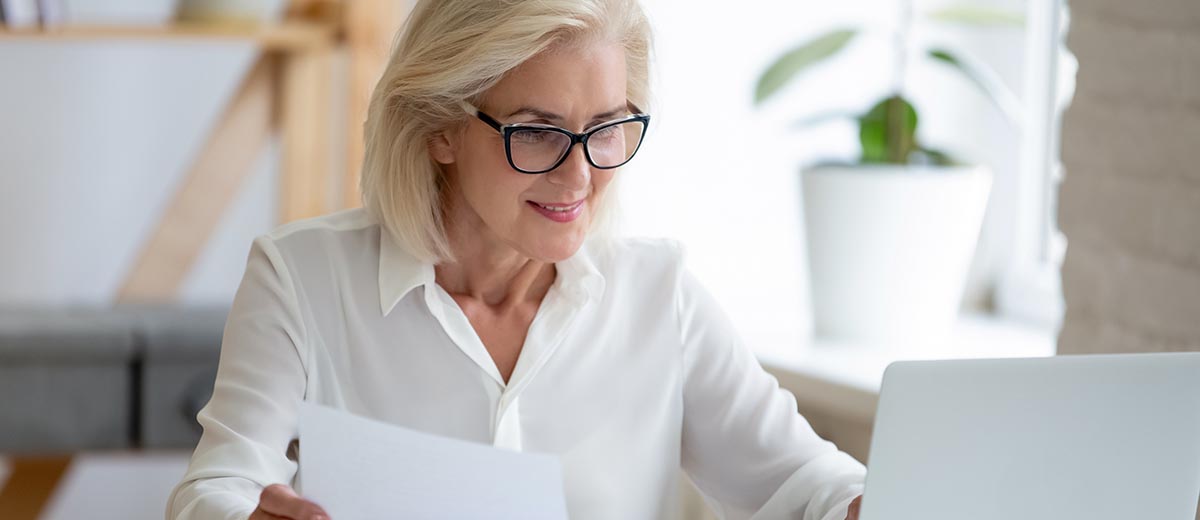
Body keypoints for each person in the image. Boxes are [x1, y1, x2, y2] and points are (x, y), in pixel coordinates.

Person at [166, 0, 866, 518]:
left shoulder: (660, 294)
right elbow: (217, 487)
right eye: (537, 133)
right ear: (441, 127)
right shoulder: (303, 279)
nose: (581, 177)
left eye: (606, 129)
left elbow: (800, 481)